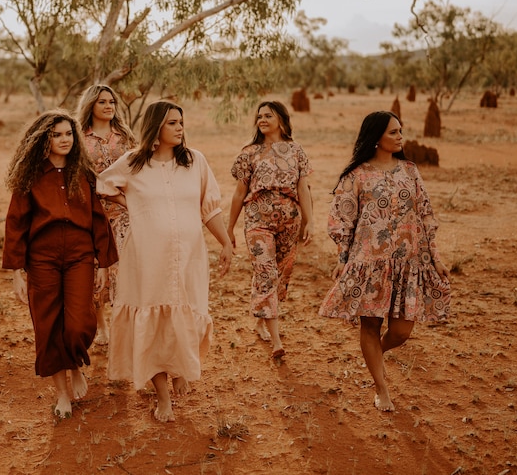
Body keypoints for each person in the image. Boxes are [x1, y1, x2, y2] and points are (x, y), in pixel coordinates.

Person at [98, 100, 232, 422]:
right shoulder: (134, 163)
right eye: (172, 122)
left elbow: (209, 209)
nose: (180, 127)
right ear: (156, 127)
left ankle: (180, 370)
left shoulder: (195, 162)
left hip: (189, 258)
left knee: (186, 315)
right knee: (153, 320)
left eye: (181, 122)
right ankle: (162, 397)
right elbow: (101, 184)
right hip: (146, 258)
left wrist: (226, 242)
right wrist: (129, 201)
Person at [319, 111, 451, 412]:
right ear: (376, 137)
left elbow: (426, 215)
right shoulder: (356, 176)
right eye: (394, 132)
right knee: (370, 324)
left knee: (403, 331)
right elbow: (343, 221)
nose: (400, 136)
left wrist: (436, 257)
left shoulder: (410, 170)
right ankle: (381, 389)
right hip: (369, 262)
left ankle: (373, 352)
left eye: (400, 131)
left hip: (408, 261)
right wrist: (343, 257)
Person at [2, 110, 118, 419]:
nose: (64, 139)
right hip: (42, 259)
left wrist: (103, 264)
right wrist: (17, 272)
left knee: (80, 322)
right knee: (48, 326)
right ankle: (62, 394)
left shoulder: (83, 173)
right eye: (57, 135)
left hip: (80, 255)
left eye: (68, 134)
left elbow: (98, 218)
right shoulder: (30, 176)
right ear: (44, 139)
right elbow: (15, 223)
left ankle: (76, 361)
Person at [227, 101, 314, 359]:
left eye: (268, 115)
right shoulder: (249, 153)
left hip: (289, 222)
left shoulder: (297, 151)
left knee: (281, 274)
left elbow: (303, 189)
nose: (262, 119)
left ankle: (262, 318)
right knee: (265, 271)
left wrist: (309, 221)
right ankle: (276, 340)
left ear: (281, 120)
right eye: (259, 116)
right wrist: (229, 228)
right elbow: (239, 193)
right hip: (257, 220)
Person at [75, 84, 137, 345]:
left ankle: (124, 326)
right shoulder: (79, 138)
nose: (109, 106)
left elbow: (135, 171)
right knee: (96, 269)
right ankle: (101, 328)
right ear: (91, 105)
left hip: (123, 211)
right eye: (102, 102)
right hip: (91, 213)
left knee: (124, 269)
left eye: (112, 101)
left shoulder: (124, 137)